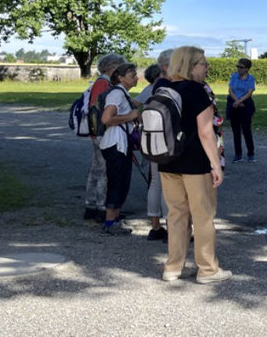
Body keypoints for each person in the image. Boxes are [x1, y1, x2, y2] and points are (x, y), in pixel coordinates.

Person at [159, 46, 231, 284]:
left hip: (168, 161)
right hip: (196, 163)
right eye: (203, 63)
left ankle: (172, 267)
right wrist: (216, 165)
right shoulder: (197, 90)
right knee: (203, 216)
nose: (207, 67)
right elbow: (205, 132)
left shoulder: (164, 87)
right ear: (191, 65)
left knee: (176, 215)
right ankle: (208, 270)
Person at [98, 62, 140, 235]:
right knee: (117, 182)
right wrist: (130, 116)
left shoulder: (121, 93)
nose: (136, 78)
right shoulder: (117, 94)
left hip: (118, 143)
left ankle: (114, 218)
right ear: (121, 78)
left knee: (121, 181)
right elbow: (106, 119)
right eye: (132, 75)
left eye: (136, 74)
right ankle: (110, 221)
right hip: (116, 144)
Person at [83, 53, 126, 222]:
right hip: (101, 132)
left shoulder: (100, 82)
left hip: (97, 132)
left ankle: (91, 204)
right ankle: (101, 207)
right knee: (103, 171)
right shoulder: (104, 84)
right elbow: (99, 111)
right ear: (112, 67)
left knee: (97, 169)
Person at [135, 63, 168, 242]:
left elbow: (135, 103)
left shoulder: (149, 89)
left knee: (155, 183)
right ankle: (172, 226)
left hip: (150, 137)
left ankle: (155, 226)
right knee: (168, 184)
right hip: (166, 139)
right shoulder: (166, 88)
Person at [227, 57, 256, 163]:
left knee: (246, 130)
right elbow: (230, 90)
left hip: (246, 104)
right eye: (238, 66)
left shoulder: (251, 78)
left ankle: (251, 153)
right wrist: (236, 101)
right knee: (236, 131)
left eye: (241, 67)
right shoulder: (234, 76)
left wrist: (240, 101)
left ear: (247, 69)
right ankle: (238, 154)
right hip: (234, 104)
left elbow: (250, 92)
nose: (238, 69)